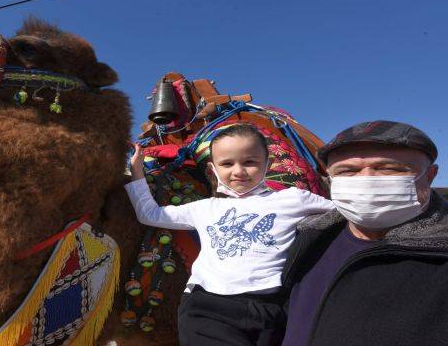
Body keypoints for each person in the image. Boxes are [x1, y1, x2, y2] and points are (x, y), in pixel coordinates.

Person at [126, 123, 334, 346]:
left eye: (250, 162)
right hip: (207, 307)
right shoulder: (205, 208)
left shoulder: (294, 199)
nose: (238, 171)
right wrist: (137, 172)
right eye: (227, 163)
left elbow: (348, 213)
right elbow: (151, 214)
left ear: (268, 164)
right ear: (212, 168)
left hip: (271, 308)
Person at [281, 120, 448, 346]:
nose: (367, 180)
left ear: (429, 176)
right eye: (347, 171)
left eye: (389, 168)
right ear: (330, 178)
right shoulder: (308, 237)